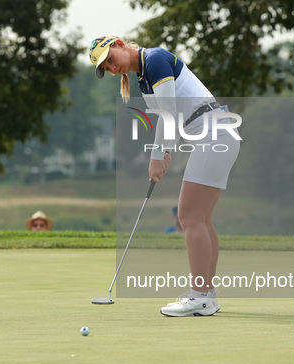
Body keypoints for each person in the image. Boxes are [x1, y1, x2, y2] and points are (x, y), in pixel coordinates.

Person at [90, 36, 240, 317]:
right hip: (215, 134)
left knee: (189, 217)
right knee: (201, 219)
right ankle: (207, 294)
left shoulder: (155, 59)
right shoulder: (144, 77)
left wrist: (158, 154)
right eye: (106, 68)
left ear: (121, 44)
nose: (112, 68)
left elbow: (168, 114)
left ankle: (199, 297)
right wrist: (167, 148)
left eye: (110, 59)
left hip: (214, 134)